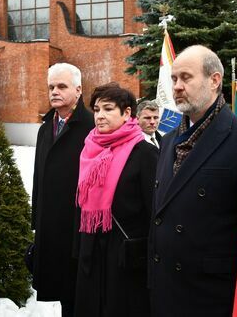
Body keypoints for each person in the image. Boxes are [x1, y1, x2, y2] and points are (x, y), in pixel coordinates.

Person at [149, 45, 237, 316]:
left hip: (210, 295)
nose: (177, 87)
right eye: (174, 79)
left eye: (186, 78)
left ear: (214, 80)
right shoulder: (169, 139)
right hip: (164, 288)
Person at [74, 83, 158, 317]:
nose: (100, 116)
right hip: (91, 254)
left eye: (108, 109)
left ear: (127, 113)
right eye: (97, 109)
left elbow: (155, 211)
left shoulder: (144, 153)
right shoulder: (89, 149)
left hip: (125, 259)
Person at [31, 63, 94, 317]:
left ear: (78, 90)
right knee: (62, 294)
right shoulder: (46, 128)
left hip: (79, 228)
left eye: (61, 86)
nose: (54, 91)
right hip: (51, 227)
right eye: (51, 87)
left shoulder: (92, 127)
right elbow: (38, 178)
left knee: (79, 296)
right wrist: (37, 222)